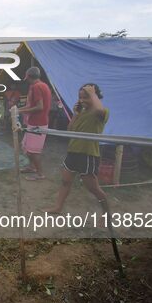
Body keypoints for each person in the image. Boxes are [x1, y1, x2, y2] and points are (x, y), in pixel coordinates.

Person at [45, 84, 109, 213]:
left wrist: (92, 94)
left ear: (95, 96)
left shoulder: (101, 112)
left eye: (86, 97)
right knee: (65, 181)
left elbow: (100, 111)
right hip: (73, 152)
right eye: (80, 97)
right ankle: (58, 207)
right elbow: (70, 130)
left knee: (93, 189)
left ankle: (106, 214)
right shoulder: (82, 112)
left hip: (88, 154)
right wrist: (76, 114)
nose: (82, 100)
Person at [18, 67, 52, 181]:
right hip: (35, 121)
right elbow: (30, 105)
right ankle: (32, 167)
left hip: (38, 122)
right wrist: (18, 109)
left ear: (28, 77)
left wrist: (19, 111)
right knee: (27, 147)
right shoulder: (43, 85)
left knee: (33, 151)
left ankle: (40, 174)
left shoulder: (36, 87)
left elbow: (39, 107)